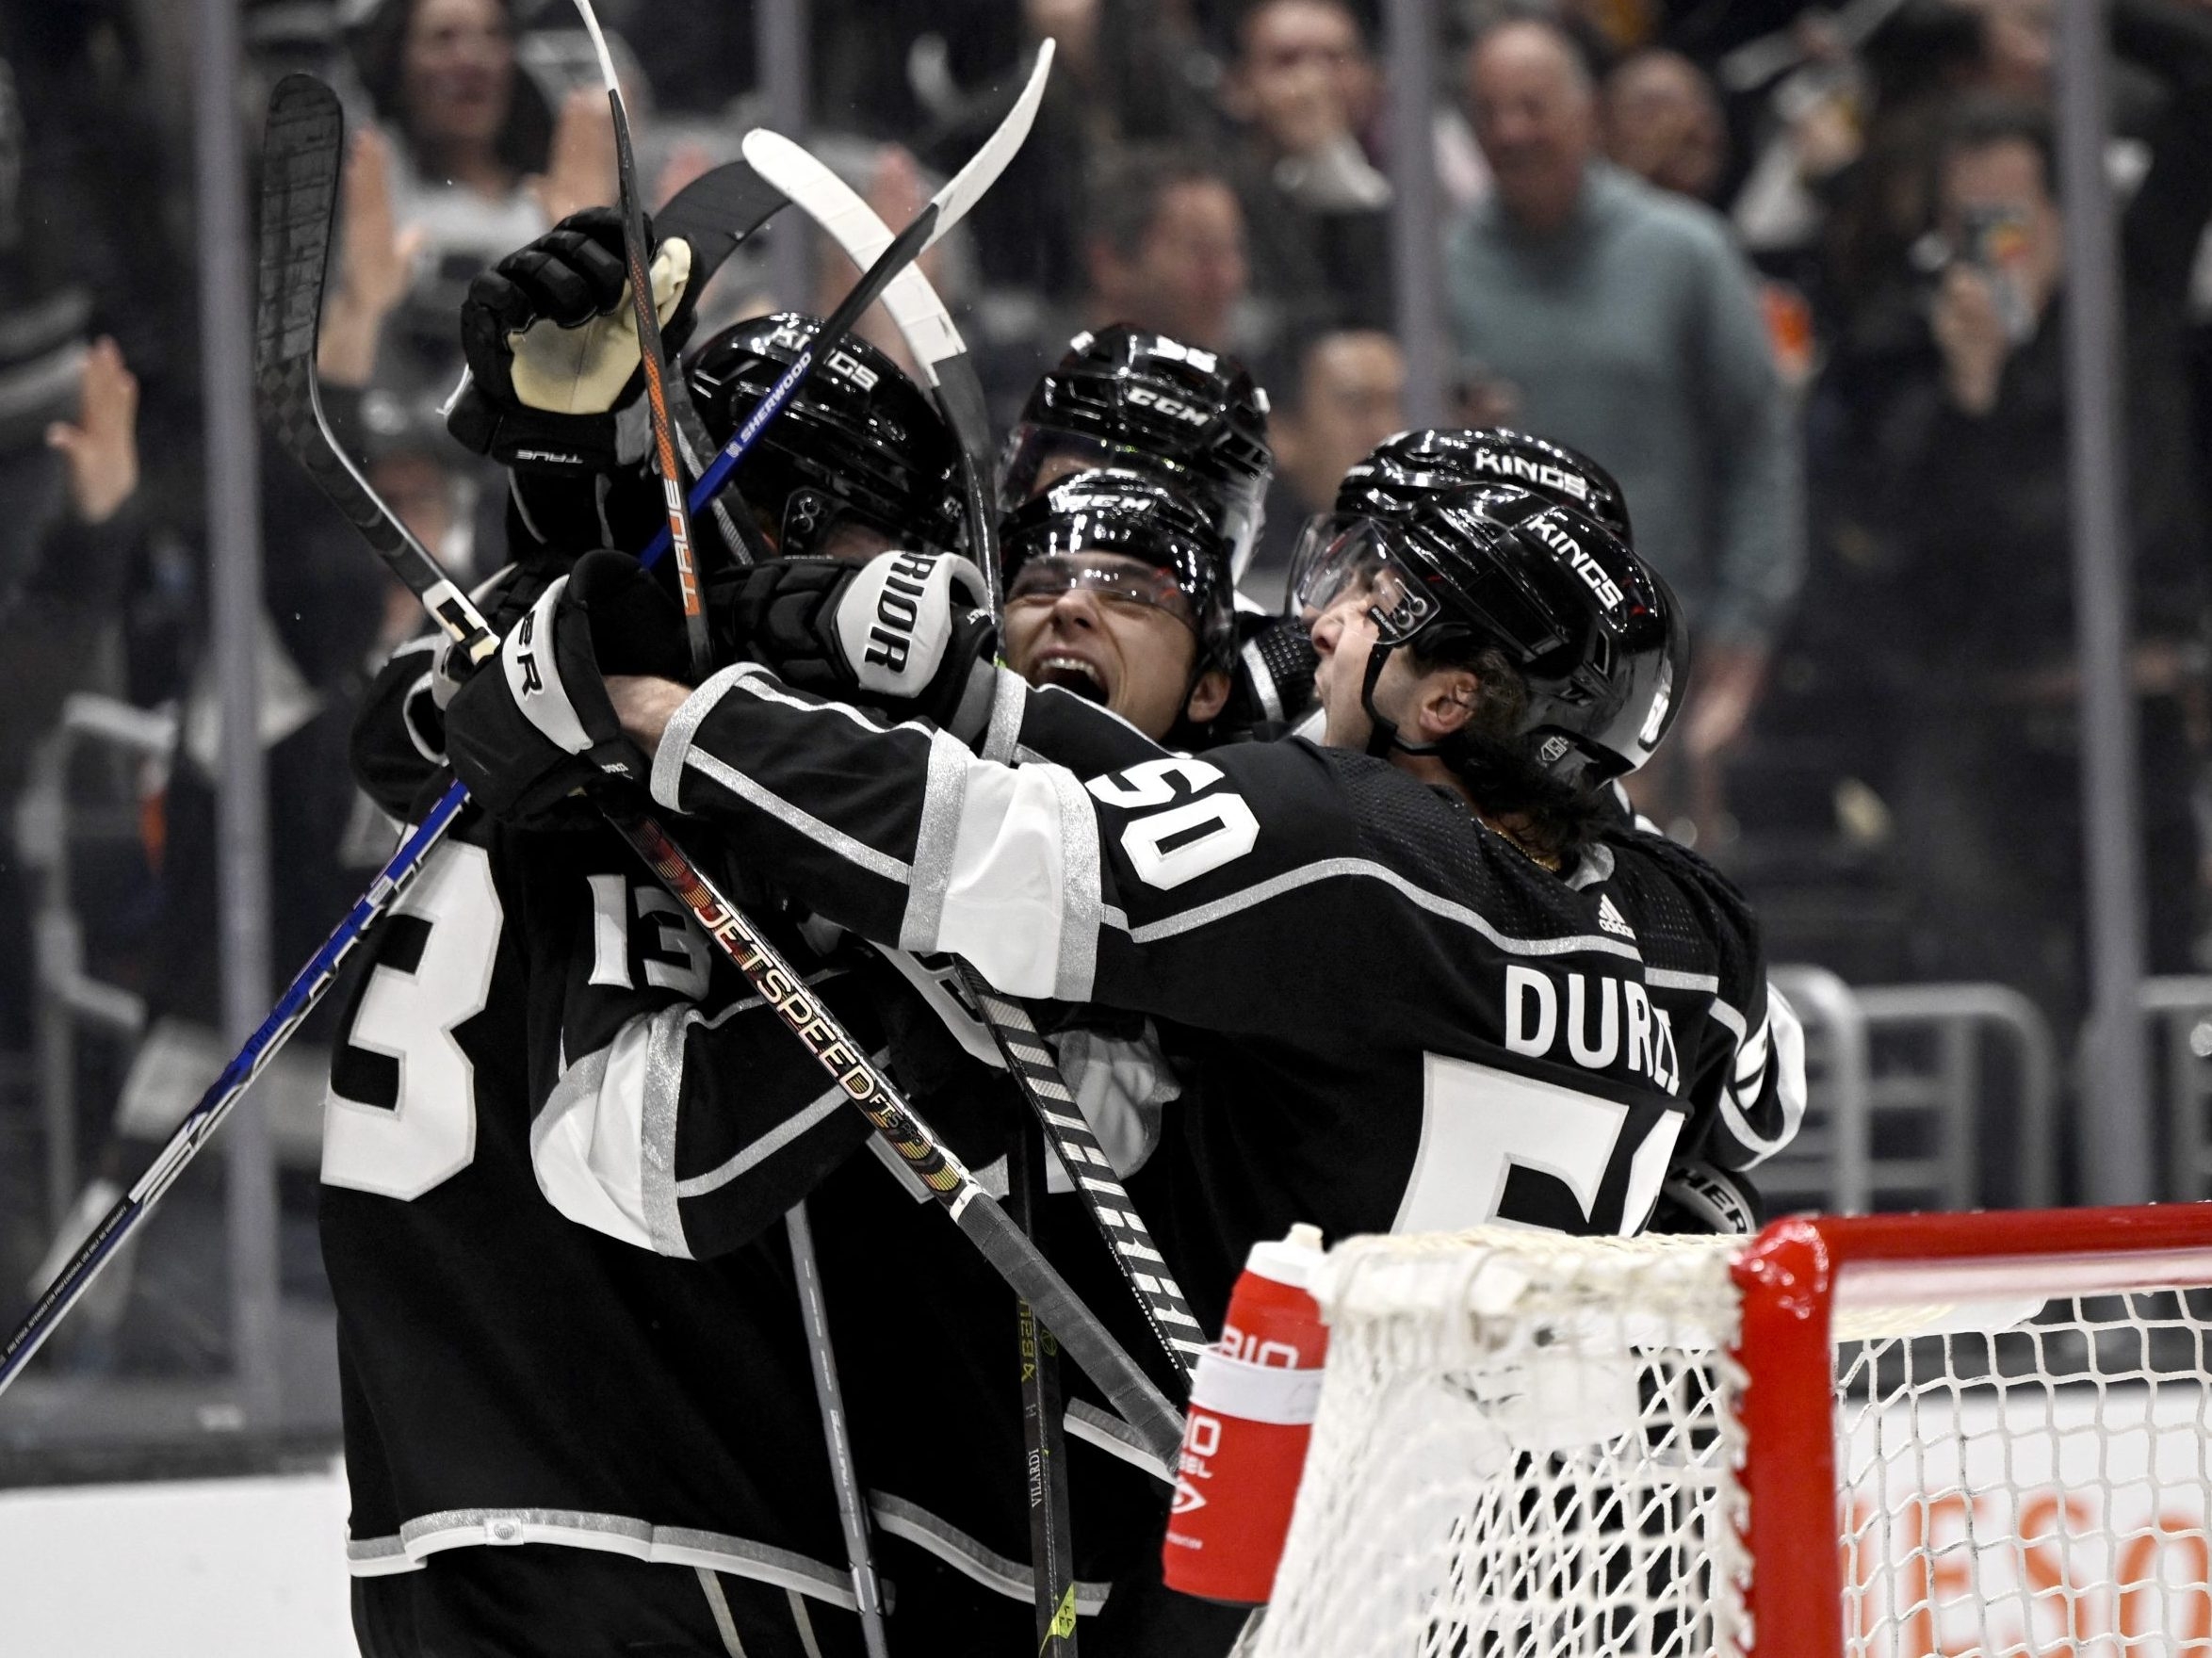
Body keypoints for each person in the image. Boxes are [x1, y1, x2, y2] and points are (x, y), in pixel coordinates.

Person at [1450, 16, 1805, 827]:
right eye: (1490, 110)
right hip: (1493, 659)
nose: (1511, 131)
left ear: (1589, 113)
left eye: (1533, 106)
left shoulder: (1686, 251)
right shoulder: (1437, 268)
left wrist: (1747, 628)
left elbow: (1760, 444)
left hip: (1661, 649)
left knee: (1661, 892)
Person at [1244, 327, 1406, 603]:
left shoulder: (1420, 551)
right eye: (1358, 406)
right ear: (1280, 432)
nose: (1387, 431)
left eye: (1395, 404)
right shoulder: (1242, 574)